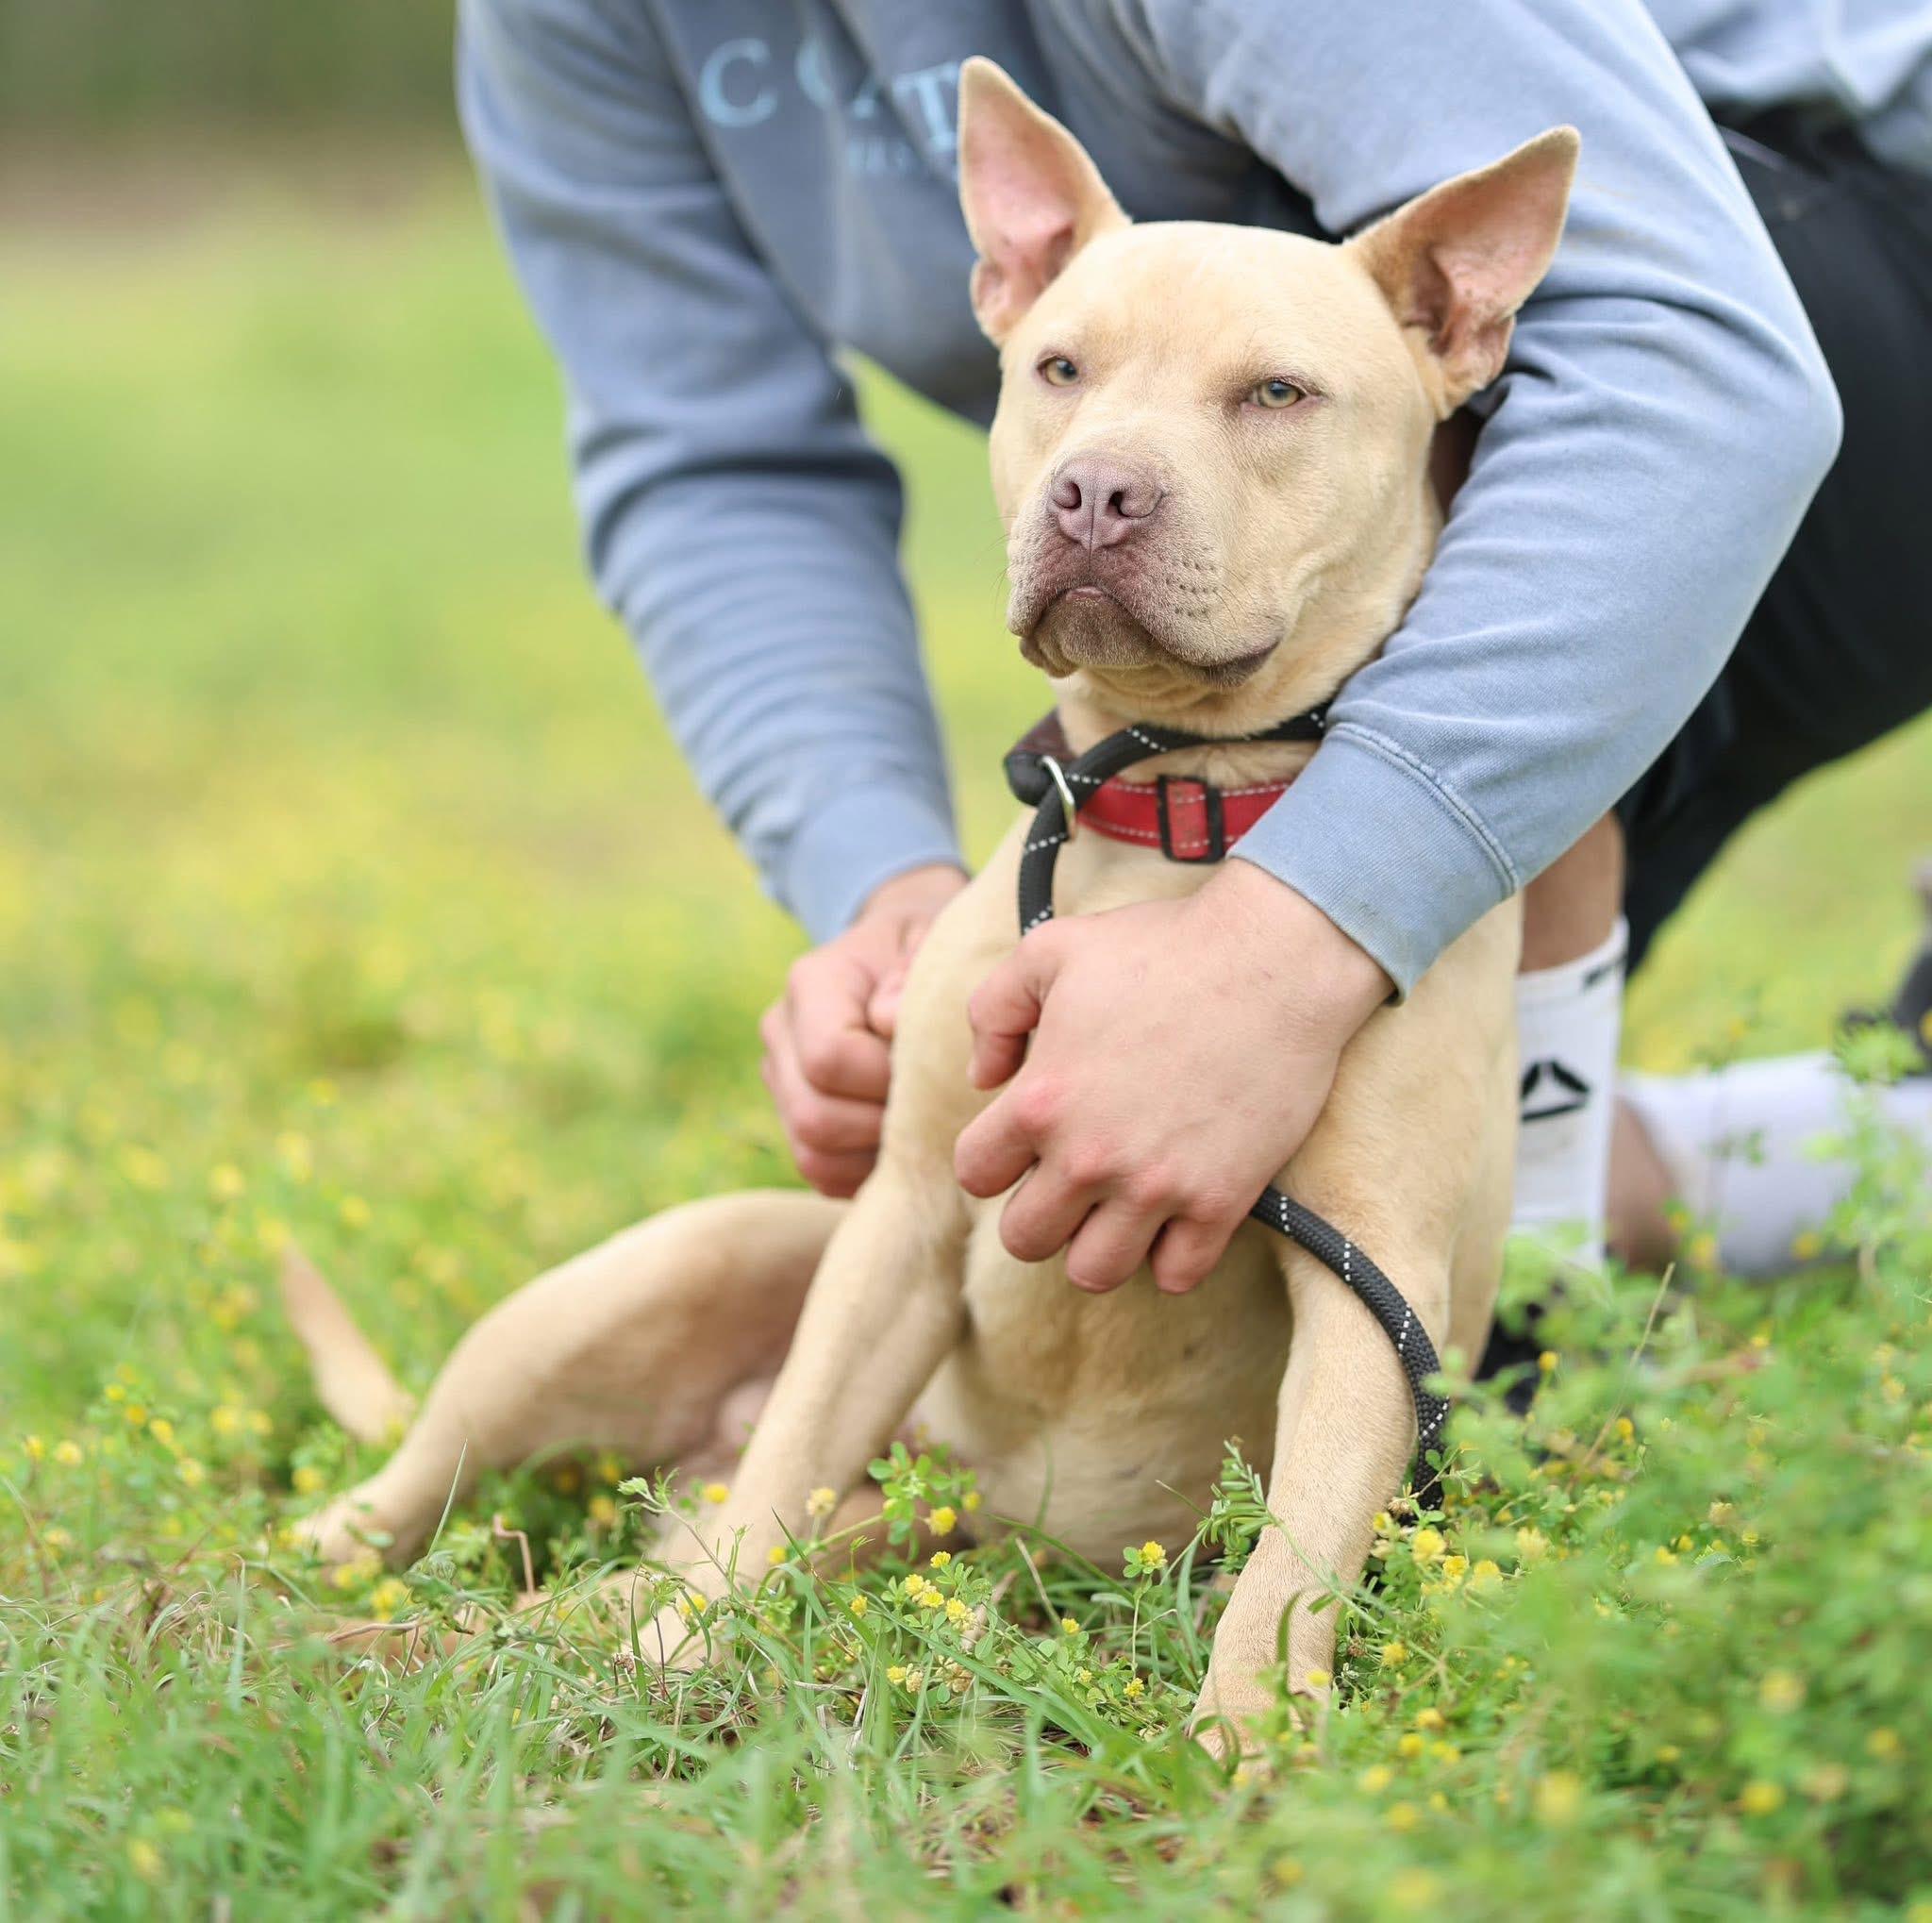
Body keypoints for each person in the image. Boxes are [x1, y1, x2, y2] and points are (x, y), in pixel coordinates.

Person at [458, 0, 1932, 1295]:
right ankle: (1819, 1151)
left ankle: (1522, 1340)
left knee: (1425, 418)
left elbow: (1689, 355)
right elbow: (717, 456)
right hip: (1635, 374)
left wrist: (1291, 940)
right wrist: (890, 894)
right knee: (1345, 1135)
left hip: (1839, 270)